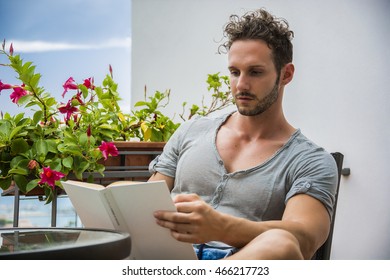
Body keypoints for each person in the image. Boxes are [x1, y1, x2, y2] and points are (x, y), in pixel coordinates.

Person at [148, 8, 338, 260]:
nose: (241, 85)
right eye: (235, 72)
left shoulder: (310, 160)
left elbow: (303, 239)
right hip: (167, 256)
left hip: (240, 262)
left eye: (255, 72)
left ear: (286, 74)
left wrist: (222, 227)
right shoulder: (191, 131)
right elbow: (149, 203)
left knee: (281, 246)